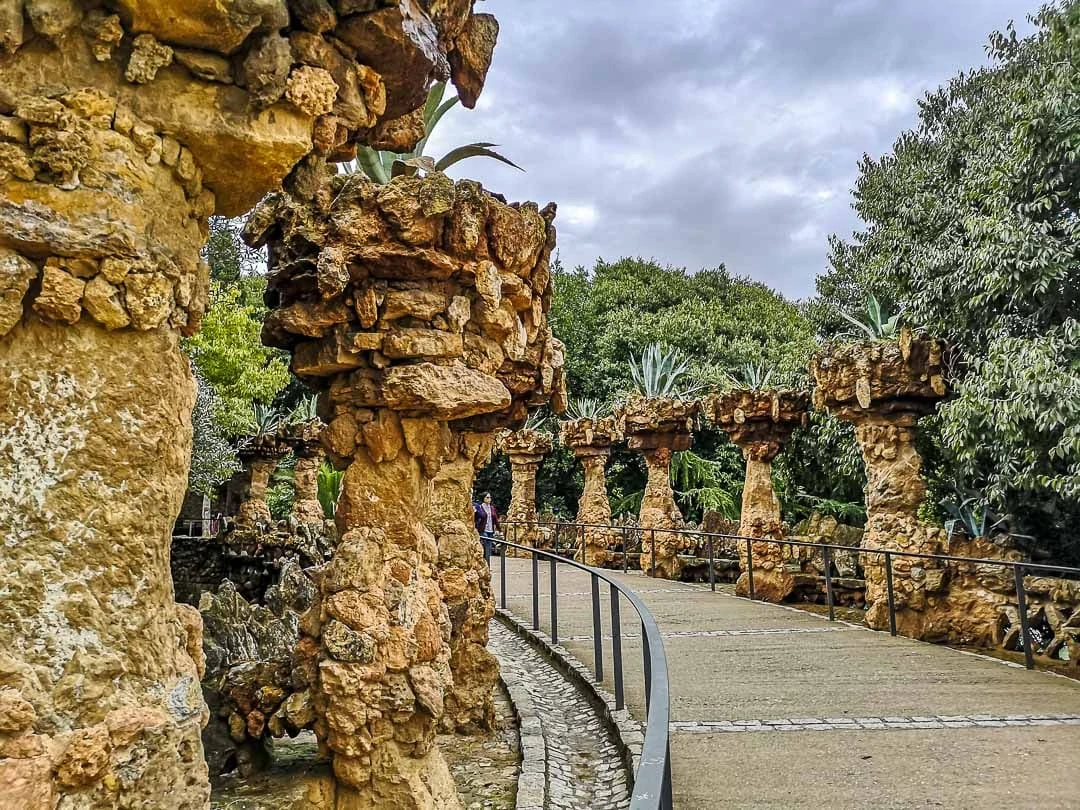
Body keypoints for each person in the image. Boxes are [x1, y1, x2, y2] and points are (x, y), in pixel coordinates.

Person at [474, 492, 500, 561]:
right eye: (487, 497)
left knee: (489, 547)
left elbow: (495, 519)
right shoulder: (479, 507)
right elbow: (476, 518)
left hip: (490, 530)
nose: (489, 499)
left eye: (490, 497)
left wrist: (499, 529)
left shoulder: (492, 508)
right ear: (483, 498)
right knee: (485, 545)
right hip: (483, 529)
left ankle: (488, 564)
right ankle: (483, 561)